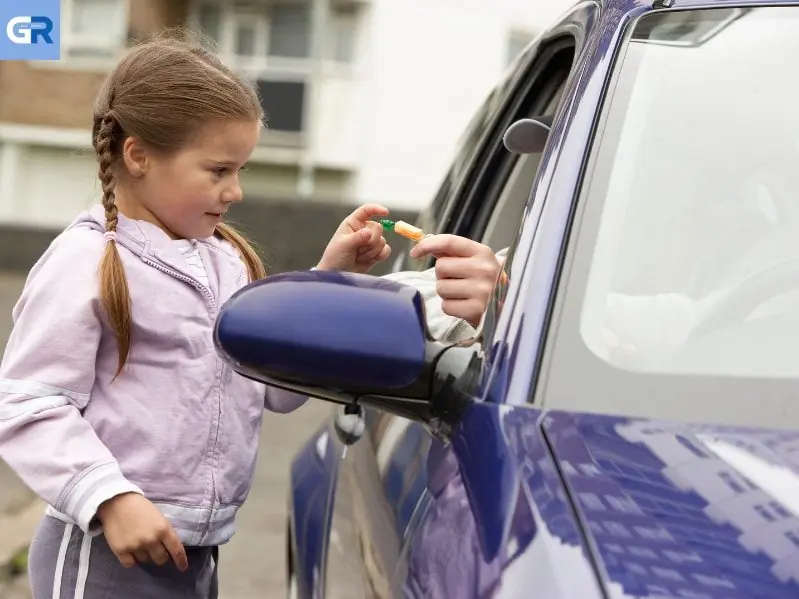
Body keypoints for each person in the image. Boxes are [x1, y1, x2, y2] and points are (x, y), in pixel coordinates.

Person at [0, 35, 401, 599]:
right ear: (138, 156)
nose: (234, 191)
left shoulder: (228, 261)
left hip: (196, 549)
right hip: (106, 550)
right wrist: (111, 499)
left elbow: (275, 389)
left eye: (240, 170)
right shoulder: (87, 260)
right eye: (217, 170)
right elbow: (28, 402)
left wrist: (324, 283)